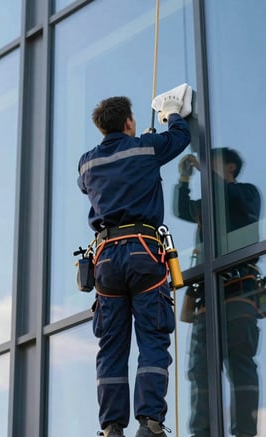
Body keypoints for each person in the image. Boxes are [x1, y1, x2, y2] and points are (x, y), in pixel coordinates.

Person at [77, 94, 191, 437]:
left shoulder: (86, 163)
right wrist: (172, 113)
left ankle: (111, 427)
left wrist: (139, 148)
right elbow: (180, 137)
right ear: (128, 123)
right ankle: (150, 422)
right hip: (143, 252)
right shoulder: (145, 149)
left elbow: (87, 185)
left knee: (111, 346)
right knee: (153, 338)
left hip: (106, 259)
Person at [174, 147, 265, 437]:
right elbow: (180, 208)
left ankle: (244, 432)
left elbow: (230, 197)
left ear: (230, 169)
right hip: (208, 299)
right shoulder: (208, 206)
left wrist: (206, 174)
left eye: (213, 165)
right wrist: (184, 180)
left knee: (240, 366)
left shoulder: (246, 194)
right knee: (200, 371)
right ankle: (202, 432)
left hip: (239, 293)